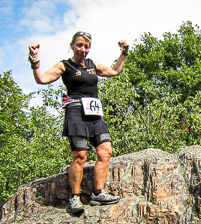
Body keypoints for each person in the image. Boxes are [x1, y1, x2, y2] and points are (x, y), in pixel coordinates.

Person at [28, 31, 129, 212]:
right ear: (73, 46)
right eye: (79, 45)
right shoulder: (64, 65)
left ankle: (98, 194)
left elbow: (114, 71)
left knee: (105, 151)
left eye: (86, 46)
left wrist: (124, 53)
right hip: (75, 114)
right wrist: (35, 61)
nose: (83, 49)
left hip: (95, 114)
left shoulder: (93, 64)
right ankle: (74, 198)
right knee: (80, 156)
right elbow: (42, 79)